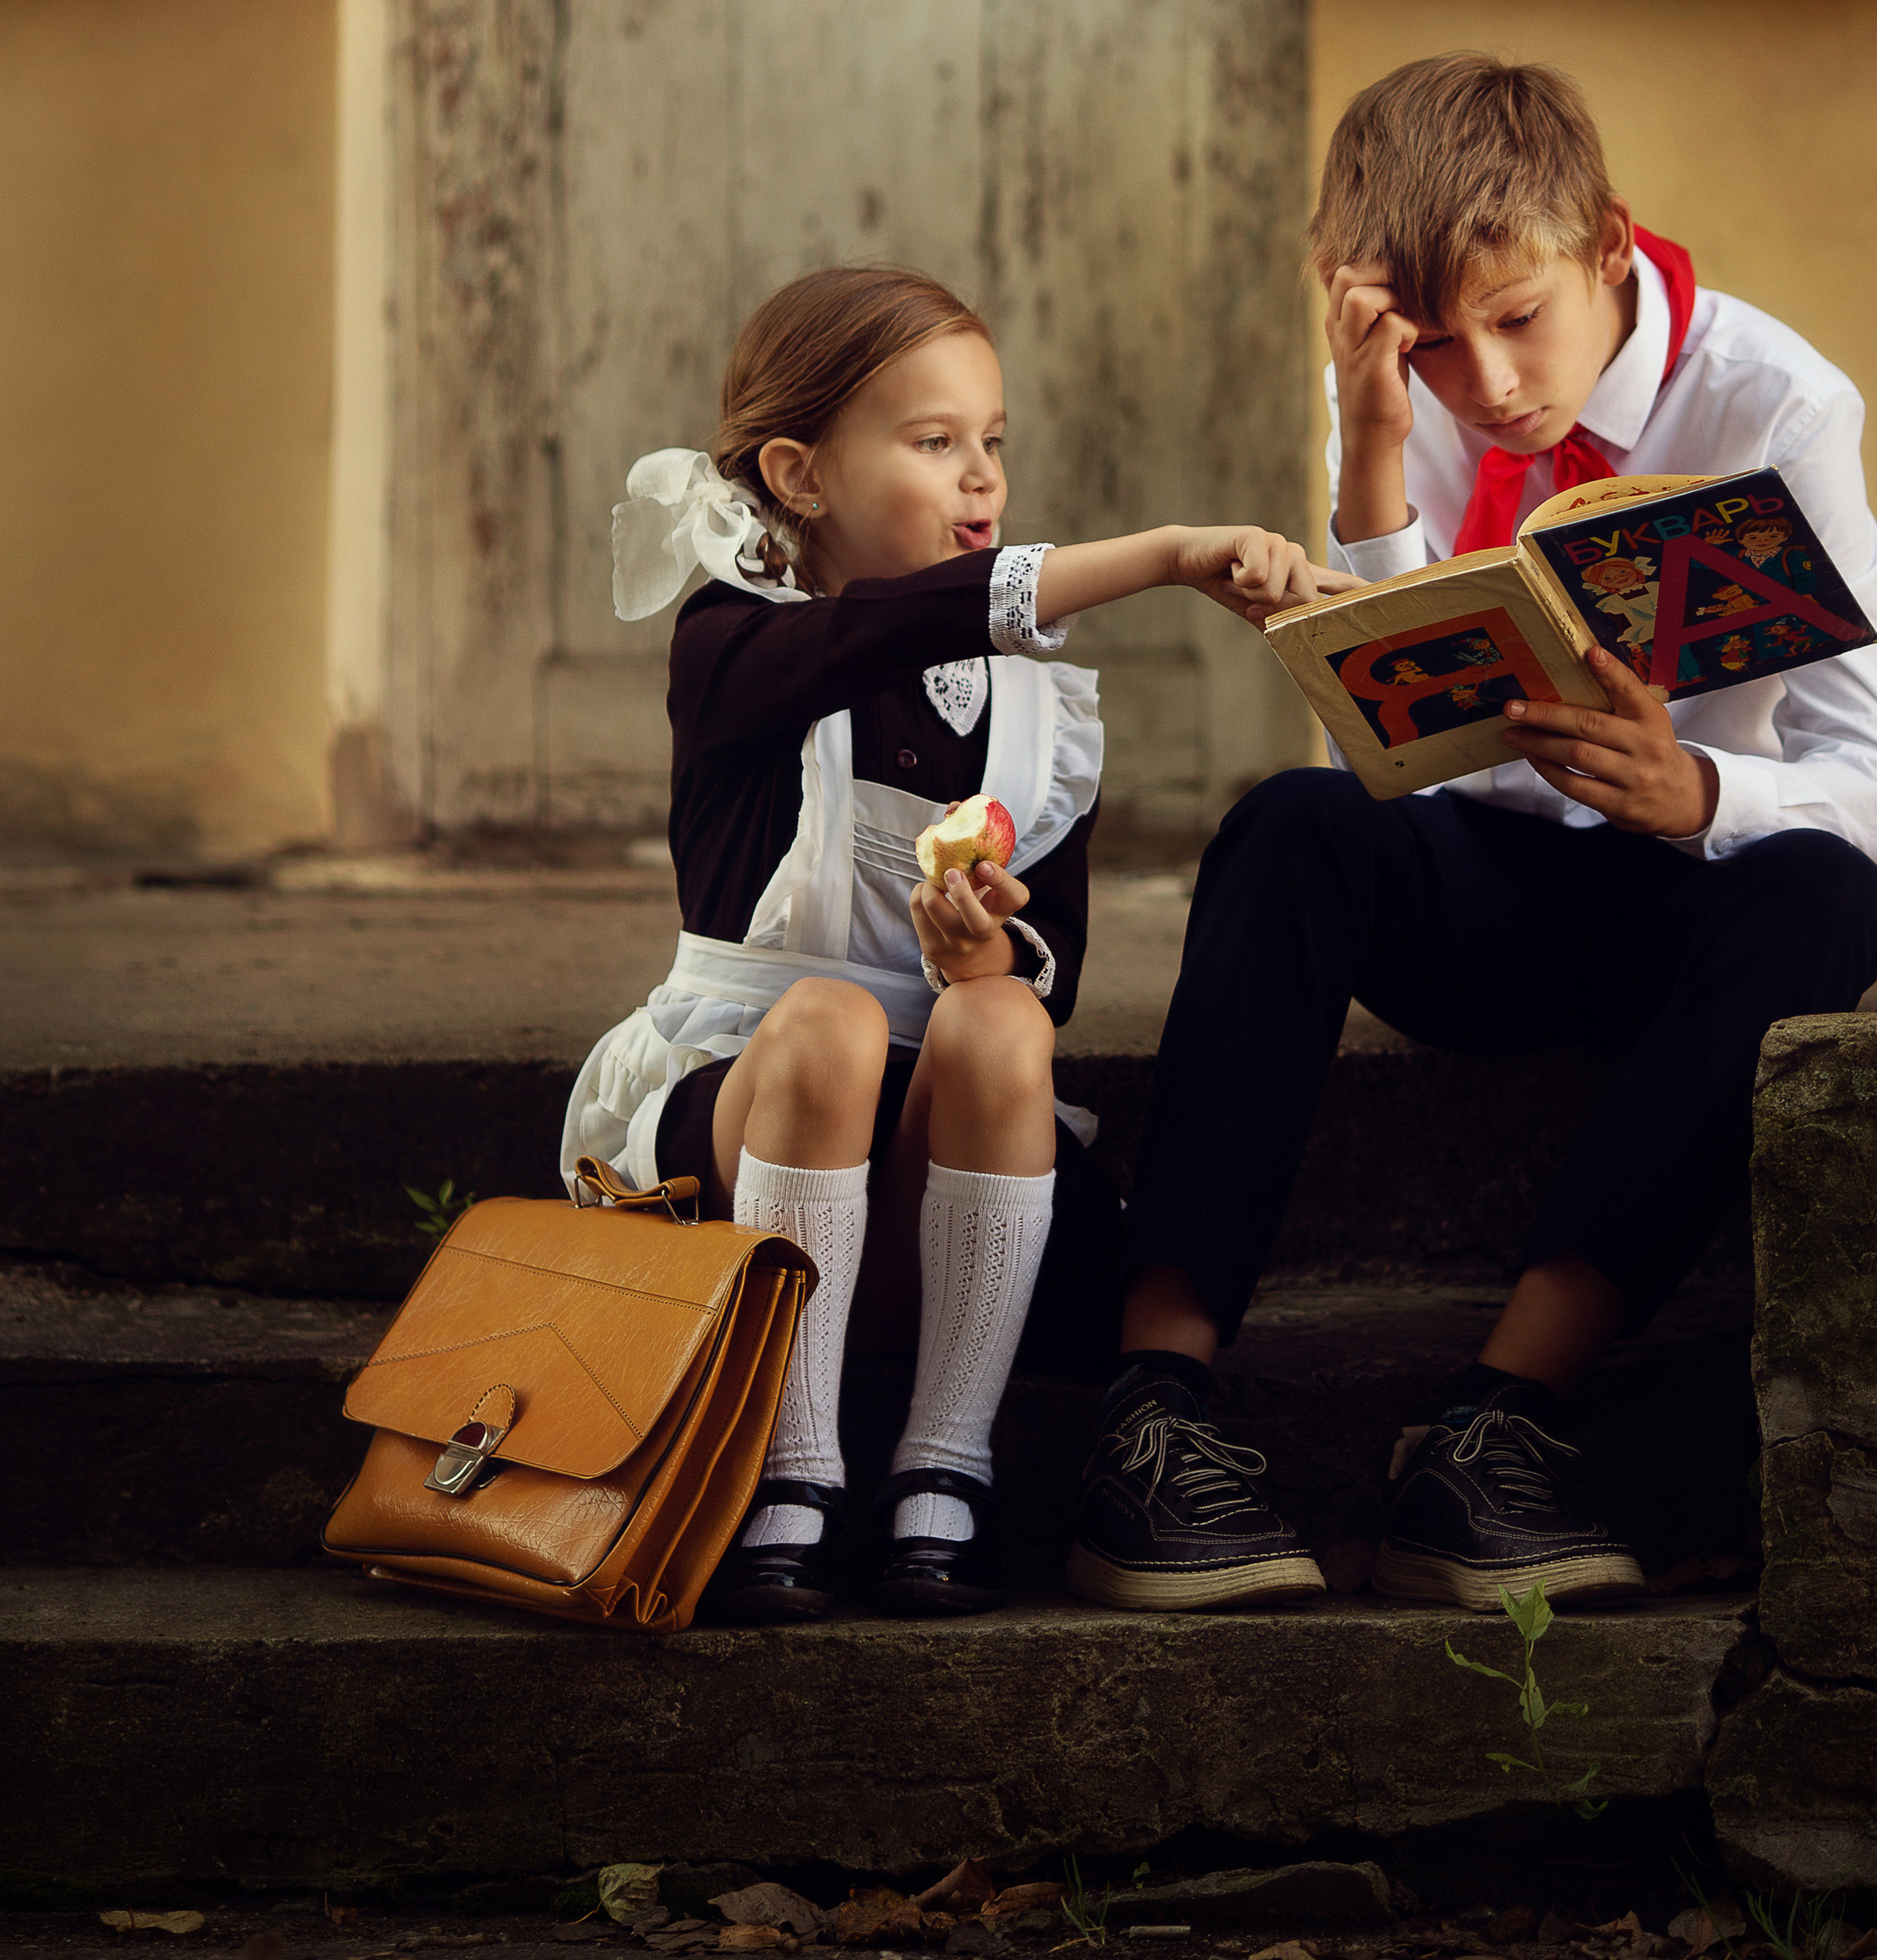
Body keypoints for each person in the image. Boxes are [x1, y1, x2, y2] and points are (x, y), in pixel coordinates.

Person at [1067, 53, 1877, 1616]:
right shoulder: (1418, 390)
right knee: (1291, 829)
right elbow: (1396, 760)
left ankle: (1499, 1424)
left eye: (1519, 320)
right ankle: (1154, 1413)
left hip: (1684, 916)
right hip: (1490, 900)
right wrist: (1376, 448)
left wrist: (1703, 797)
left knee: (1828, 894)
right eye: (1439, 347)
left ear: (1608, 245)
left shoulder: (1778, 405)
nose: (1494, 383)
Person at [563, 261, 1340, 1623]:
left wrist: (987, 964)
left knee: (999, 1024)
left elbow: (1051, 970)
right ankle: (789, 1464)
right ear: (799, 475)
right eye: (934, 444)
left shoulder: (1036, 713)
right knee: (835, 1021)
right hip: (740, 1157)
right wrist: (1162, 555)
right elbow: (888, 624)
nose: (981, 478)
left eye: (992, 441)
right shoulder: (738, 648)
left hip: (936, 1195)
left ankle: (945, 1465)